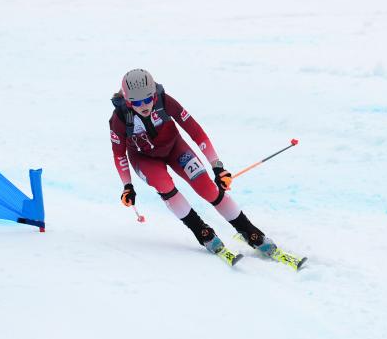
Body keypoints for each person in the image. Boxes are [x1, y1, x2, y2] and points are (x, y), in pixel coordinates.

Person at [109, 68, 277, 265]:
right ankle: (201, 230)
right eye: (137, 103)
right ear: (128, 102)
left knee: (207, 187)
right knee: (163, 184)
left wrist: (217, 166)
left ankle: (249, 231)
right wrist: (127, 186)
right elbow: (119, 154)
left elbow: (195, 131)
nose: (144, 106)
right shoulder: (119, 119)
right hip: (144, 159)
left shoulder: (164, 101)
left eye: (148, 99)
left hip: (174, 148)